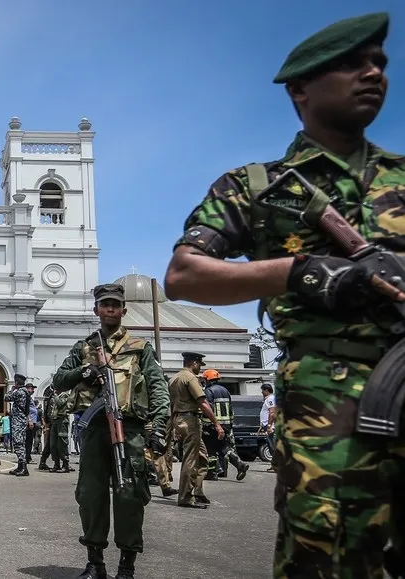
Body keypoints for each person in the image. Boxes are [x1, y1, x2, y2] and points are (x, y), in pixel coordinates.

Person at [163, 12, 405, 577]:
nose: (372, 73)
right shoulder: (257, 188)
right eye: (350, 64)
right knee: (323, 555)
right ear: (300, 88)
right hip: (327, 415)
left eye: (379, 64)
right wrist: (296, 272)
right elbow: (185, 275)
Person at [51, 283, 170, 579]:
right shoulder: (85, 347)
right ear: (97, 310)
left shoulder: (140, 348)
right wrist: (85, 372)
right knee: (91, 495)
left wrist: (158, 429)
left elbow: (158, 389)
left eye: (115, 305)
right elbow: (59, 380)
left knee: (130, 495)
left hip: (130, 431)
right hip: (93, 430)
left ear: (123, 310)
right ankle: (95, 563)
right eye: (105, 305)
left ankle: (127, 567)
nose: (110, 309)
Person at [168, 351, 222, 509]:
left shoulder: (173, 379)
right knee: (191, 460)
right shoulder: (190, 378)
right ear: (195, 363)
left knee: (203, 457)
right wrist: (217, 424)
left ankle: (197, 491)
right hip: (190, 420)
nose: (200, 368)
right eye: (199, 365)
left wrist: (173, 426)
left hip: (179, 419)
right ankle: (185, 497)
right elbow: (203, 403)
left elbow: (171, 405)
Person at [200, 370, 250, 481]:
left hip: (213, 426)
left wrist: (207, 424)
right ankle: (239, 464)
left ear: (207, 379)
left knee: (210, 449)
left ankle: (211, 473)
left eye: (204, 379)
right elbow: (231, 410)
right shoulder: (225, 391)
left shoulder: (208, 391)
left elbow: (208, 409)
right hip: (226, 426)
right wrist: (229, 426)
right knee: (223, 448)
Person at [4, 374, 32, 476]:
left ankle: (23, 468)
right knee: (20, 443)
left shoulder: (19, 392)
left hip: (18, 421)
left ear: (16, 383)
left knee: (18, 443)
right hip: (22, 420)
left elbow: (6, 397)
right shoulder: (26, 392)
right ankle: (20, 467)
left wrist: (12, 389)